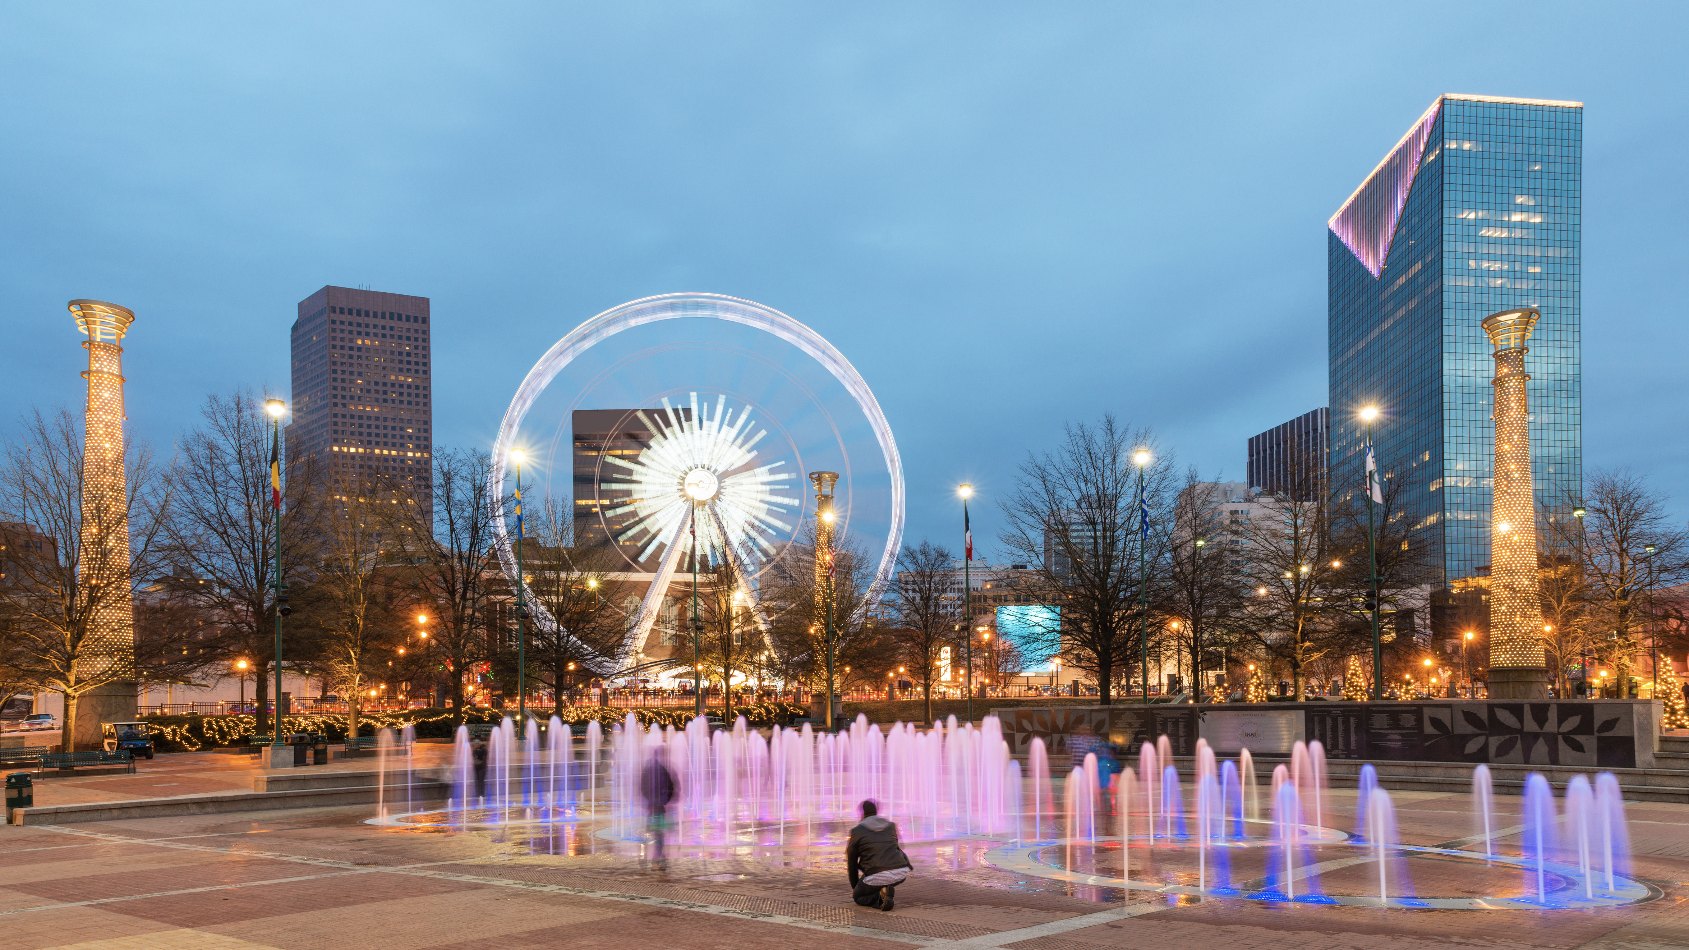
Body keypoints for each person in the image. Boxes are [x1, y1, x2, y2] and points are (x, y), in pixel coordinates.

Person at [846, 799, 912, 911]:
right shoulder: (891, 826)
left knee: (858, 897)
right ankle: (885, 888)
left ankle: (882, 899)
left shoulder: (857, 831)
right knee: (875, 874)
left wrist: (856, 887)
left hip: (876, 874)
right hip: (900, 872)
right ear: (876, 811)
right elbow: (899, 847)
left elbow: (851, 862)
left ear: (862, 813)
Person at [639, 749, 677, 870]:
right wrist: (665, 800)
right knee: (658, 833)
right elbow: (671, 786)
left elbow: (642, 787)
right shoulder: (662, 769)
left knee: (653, 831)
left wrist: (648, 799)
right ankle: (657, 857)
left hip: (653, 806)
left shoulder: (648, 769)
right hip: (659, 807)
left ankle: (652, 856)